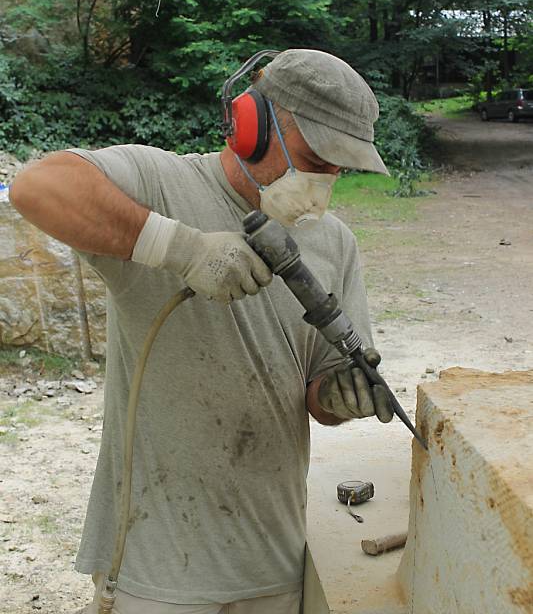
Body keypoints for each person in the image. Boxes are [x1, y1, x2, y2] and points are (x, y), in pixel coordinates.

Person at [9, 49, 393, 614]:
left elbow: (319, 399)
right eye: (317, 157)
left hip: (272, 557)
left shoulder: (334, 243)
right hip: (155, 564)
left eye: (341, 167)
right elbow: (37, 189)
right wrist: (180, 248)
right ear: (252, 125)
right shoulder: (161, 184)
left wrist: (340, 397)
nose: (326, 179)